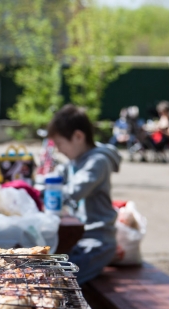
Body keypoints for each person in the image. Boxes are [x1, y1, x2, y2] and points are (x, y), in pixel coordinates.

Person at [47, 104, 120, 284]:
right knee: (49, 269)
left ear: (78, 137)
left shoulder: (97, 162)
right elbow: (54, 179)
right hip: (80, 238)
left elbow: (73, 191)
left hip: (96, 243)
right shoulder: (74, 161)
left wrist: (48, 192)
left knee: (60, 281)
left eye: (59, 144)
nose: (58, 150)